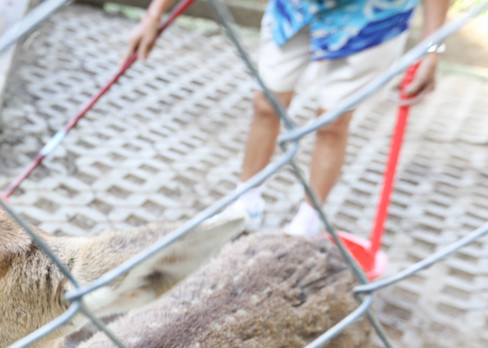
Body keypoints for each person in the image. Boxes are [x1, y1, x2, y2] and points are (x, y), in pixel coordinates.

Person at [123, 0, 449, 235]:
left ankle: (308, 223)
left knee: (332, 124)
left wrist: (432, 50)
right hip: (294, 10)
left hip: (372, 18)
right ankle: (245, 206)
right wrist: (154, 13)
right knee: (266, 103)